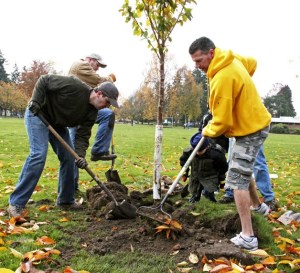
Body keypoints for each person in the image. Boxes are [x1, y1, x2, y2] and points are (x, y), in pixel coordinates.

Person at [189, 37, 271, 251]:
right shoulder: (230, 58)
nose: (196, 66)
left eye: (199, 60)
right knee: (241, 167)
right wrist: (240, 92)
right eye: (194, 61)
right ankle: (258, 207)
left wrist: (206, 131)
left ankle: (248, 236)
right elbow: (252, 63)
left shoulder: (222, 77)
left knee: (235, 179)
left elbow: (222, 122)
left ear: (211, 53)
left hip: (251, 129)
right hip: (252, 123)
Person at [7, 75, 119, 218]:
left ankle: (65, 201)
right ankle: (16, 203)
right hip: (38, 113)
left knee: (69, 157)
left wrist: (80, 156)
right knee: (38, 154)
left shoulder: (92, 113)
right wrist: (36, 101)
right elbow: (44, 80)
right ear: (99, 93)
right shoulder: (75, 86)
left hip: (57, 124)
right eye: (108, 102)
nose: (107, 106)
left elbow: (82, 136)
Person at [68, 53, 117, 191]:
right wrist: (110, 79)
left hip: (87, 110)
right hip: (76, 113)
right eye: (97, 65)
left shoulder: (86, 73)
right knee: (74, 152)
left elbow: (99, 88)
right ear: (90, 60)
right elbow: (99, 80)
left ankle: (99, 151)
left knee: (108, 114)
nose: (97, 68)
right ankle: (71, 187)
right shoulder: (80, 65)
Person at [219, 142, 278, 211]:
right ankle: (230, 192)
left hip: (253, 134)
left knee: (258, 163)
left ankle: (269, 198)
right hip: (234, 132)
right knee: (233, 160)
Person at [179, 133, 228, 203]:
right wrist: (185, 174)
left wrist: (221, 180)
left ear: (207, 147)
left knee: (208, 193)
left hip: (210, 177)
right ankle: (194, 199)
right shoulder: (189, 152)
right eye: (196, 151)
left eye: (200, 151)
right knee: (194, 191)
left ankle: (211, 201)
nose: (198, 153)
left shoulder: (216, 154)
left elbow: (223, 167)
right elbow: (184, 163)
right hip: (195, 176)